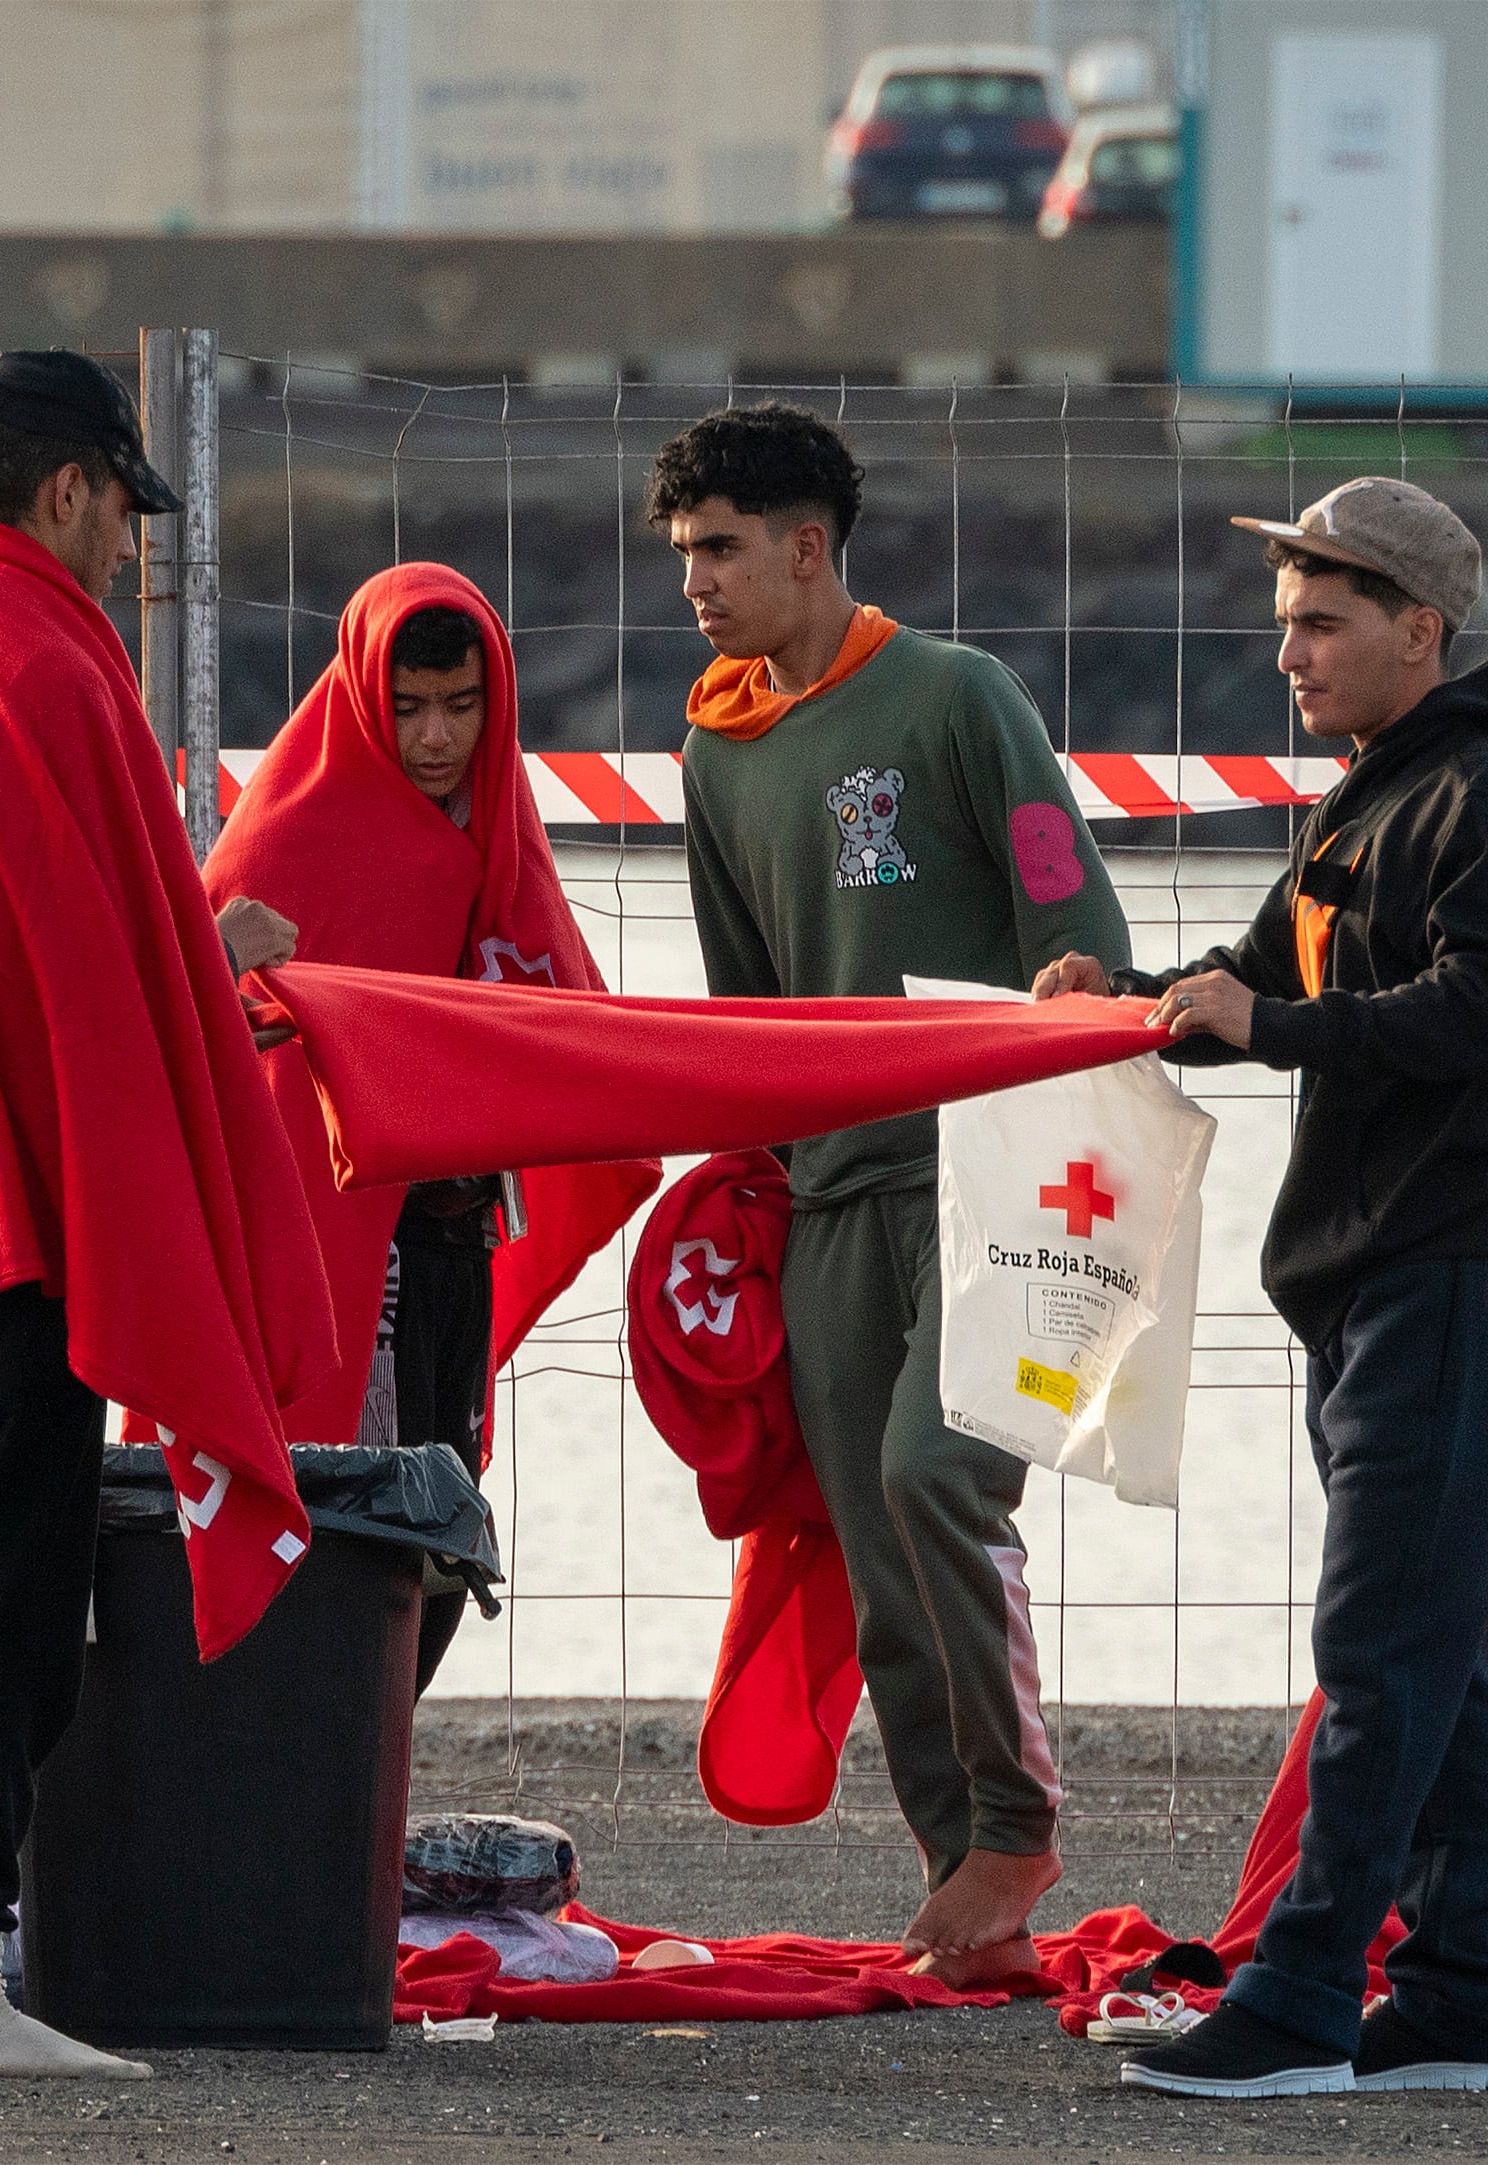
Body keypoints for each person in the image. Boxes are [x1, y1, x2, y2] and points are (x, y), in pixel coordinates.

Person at [0, 349, 331, 2081]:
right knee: (10, 1590)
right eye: (124, 509)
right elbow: (98, 949)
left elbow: (4, 919)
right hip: (22, 1186)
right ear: (69, 492)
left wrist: (178, 934)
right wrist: (221, 944)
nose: (129, 547)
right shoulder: (51, 654)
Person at [1037, 479, 1488, 2097]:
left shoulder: (1482, 795)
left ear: (1419, 628)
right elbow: (1266, 974)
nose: (1289, 651)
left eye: (1323, 620)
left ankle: (1298, 1995)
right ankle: (1460, 1992)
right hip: (1366, 1286)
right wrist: (1124, 1000)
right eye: (1283, 621)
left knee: (1381, 1648)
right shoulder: (1364, 801)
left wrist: (1258, 1029)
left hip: (1456, 1277)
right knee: (1434, 1644)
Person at [655, 400, 1131, 1984]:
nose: (697, 584)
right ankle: (965, 1880)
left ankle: (1013, 1824)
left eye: (721, 550)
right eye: (681, 556)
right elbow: (743, 1017)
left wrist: (1083, 985)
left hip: (1007, 1167)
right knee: (872, 1549)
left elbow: (1084, 916)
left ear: (807, 547)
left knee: (941, 1478)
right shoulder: (712, 751)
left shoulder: (955, 694)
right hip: (832, 1200)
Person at [199, 563, 656, 1694]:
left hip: (457, 1235)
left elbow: (563, 1026)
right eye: (407, 708)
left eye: (461, 705)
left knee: (443, 1501)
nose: (436, 736)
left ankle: (368, 1759)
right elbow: (206, 1042)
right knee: (355, 1502)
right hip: (339, 1246)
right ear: (365, 694)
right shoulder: (286, 835)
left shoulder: (501, 830)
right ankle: (309, 1741)